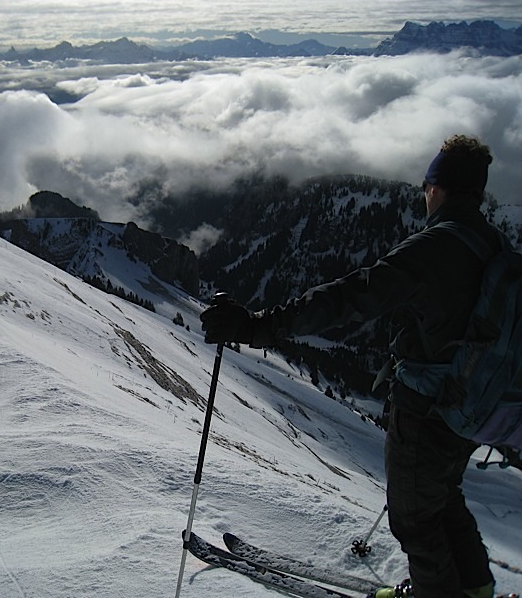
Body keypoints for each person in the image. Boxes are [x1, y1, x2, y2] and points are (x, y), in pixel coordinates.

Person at [200, 135, 500, 598]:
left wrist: (258, 327)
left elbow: (352, 296)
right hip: (471, 410)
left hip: (426, 412)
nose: (423, 195)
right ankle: (476, 590)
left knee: (415, 520)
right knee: (443, 500)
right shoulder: (492, 244)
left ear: (438, 187)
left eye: (426, 185)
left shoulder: (435, 247)